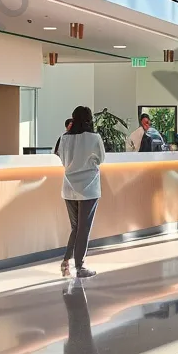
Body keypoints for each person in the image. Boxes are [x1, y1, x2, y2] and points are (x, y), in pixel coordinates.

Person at [57, 105, 105, 279]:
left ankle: (66, 261)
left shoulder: (64, 138)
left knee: (76, 228)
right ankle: (80, 266)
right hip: (89, 187)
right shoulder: (94, 137)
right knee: (83, 229)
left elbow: (61, 159)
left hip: (69, 187)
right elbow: (101, 158)